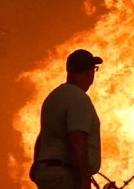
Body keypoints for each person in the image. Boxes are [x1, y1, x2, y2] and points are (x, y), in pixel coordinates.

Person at [29, 49, 103, 189]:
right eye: (94, 69)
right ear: (89, 72)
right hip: (65, 175)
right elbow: (76, 138)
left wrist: (36, 164)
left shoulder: (54, 97)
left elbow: (43, 136)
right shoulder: (78, 98)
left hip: (48, 172)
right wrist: (84, 178)